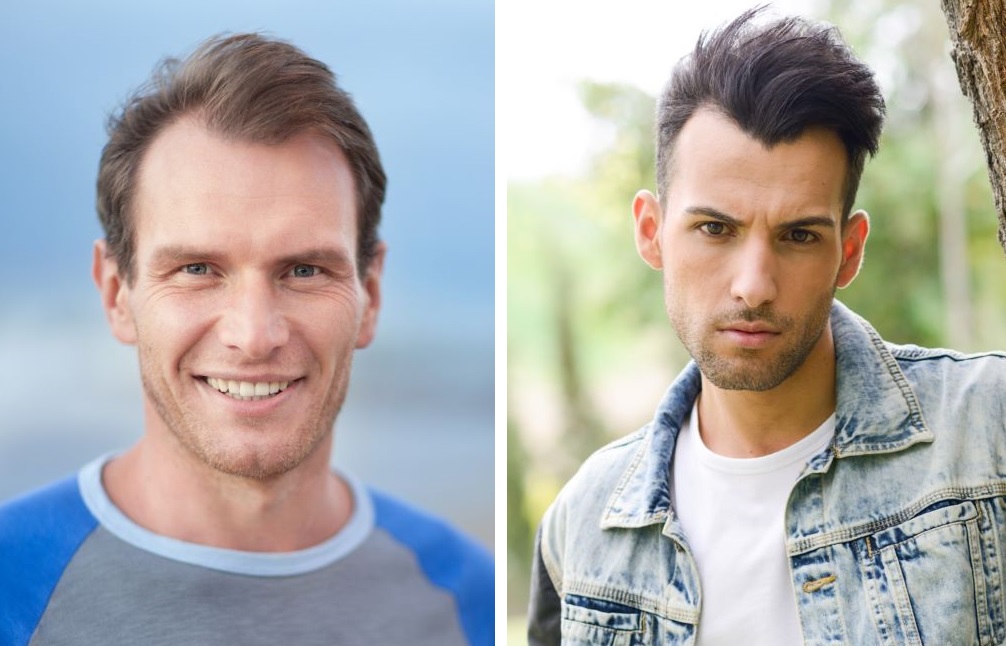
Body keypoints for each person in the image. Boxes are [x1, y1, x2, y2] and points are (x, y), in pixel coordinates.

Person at [528, 9, 1006, 646]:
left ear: (850, 251)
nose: (754, 284)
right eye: (715, 229)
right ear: (651, 232)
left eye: (799, 235)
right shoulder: (583, 526)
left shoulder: (987, 436)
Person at [0, 33, 492, 646]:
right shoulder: (11, 589)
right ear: (115, 293)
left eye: (305, 270)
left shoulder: (473, 602)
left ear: (371, 295)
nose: (254, 336)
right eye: (197, 269)